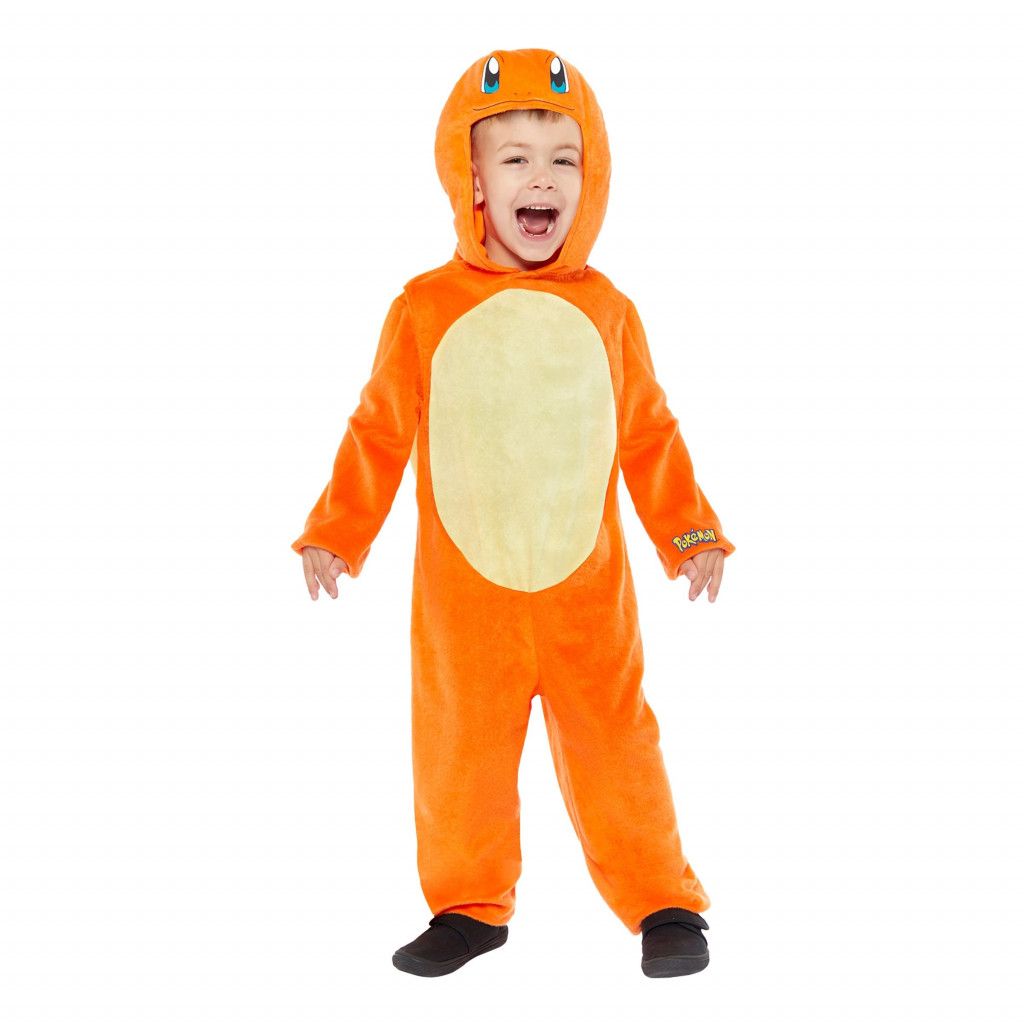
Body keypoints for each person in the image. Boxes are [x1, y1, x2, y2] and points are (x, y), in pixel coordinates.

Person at [291, 48, 736, 979]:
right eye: (516, 158)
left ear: (591, 178)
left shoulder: (609, 311)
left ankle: (663, 901)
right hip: (465, 604)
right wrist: (337, 530)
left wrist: (689, 532)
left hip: (588, 597)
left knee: (617, 743)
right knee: (460, 752)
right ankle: (467, 907)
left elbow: (648, 432)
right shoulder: (425, 308)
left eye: (564, 159)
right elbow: (380, 429)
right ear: (474, 180)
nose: (542, 178)